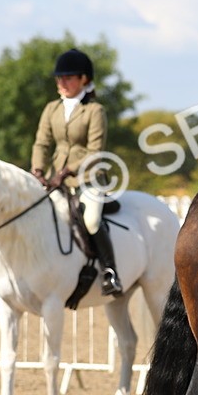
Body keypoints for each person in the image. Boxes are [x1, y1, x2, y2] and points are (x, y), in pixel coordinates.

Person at [31, 48, 123, 296]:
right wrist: (38, 169)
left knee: (91, 219)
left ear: (84, 79)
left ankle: (110, 272)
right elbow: (42, 142)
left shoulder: (95, 111)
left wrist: (68, 170)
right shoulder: (51, 109)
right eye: (59, 78)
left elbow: (95, 151)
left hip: (87, 178)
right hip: (55, 176)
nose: (61, 82)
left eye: (68, 77)